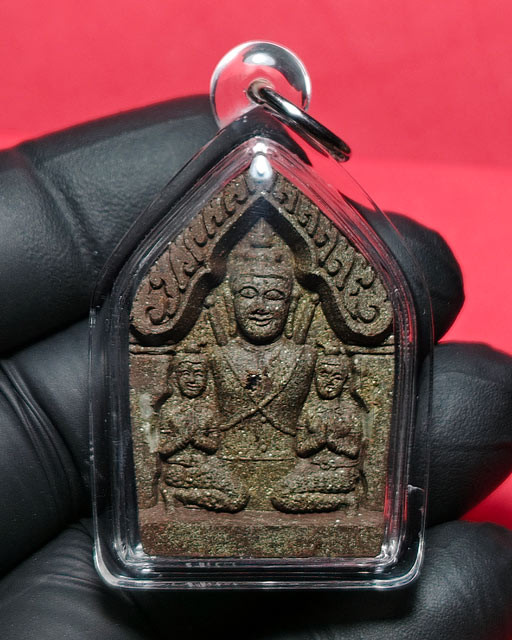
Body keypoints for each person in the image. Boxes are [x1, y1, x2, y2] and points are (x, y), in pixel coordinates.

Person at [0, 96, 510, 639]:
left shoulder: (307, 355)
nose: (262, 305)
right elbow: (169, 437)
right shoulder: (215, 354)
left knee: (334, 483)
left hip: (309, 477)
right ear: (230, 298)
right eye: (248, 294)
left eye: (274, 295)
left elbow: (339, 434)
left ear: (292, 300)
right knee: (189, 482)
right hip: (210, 476)